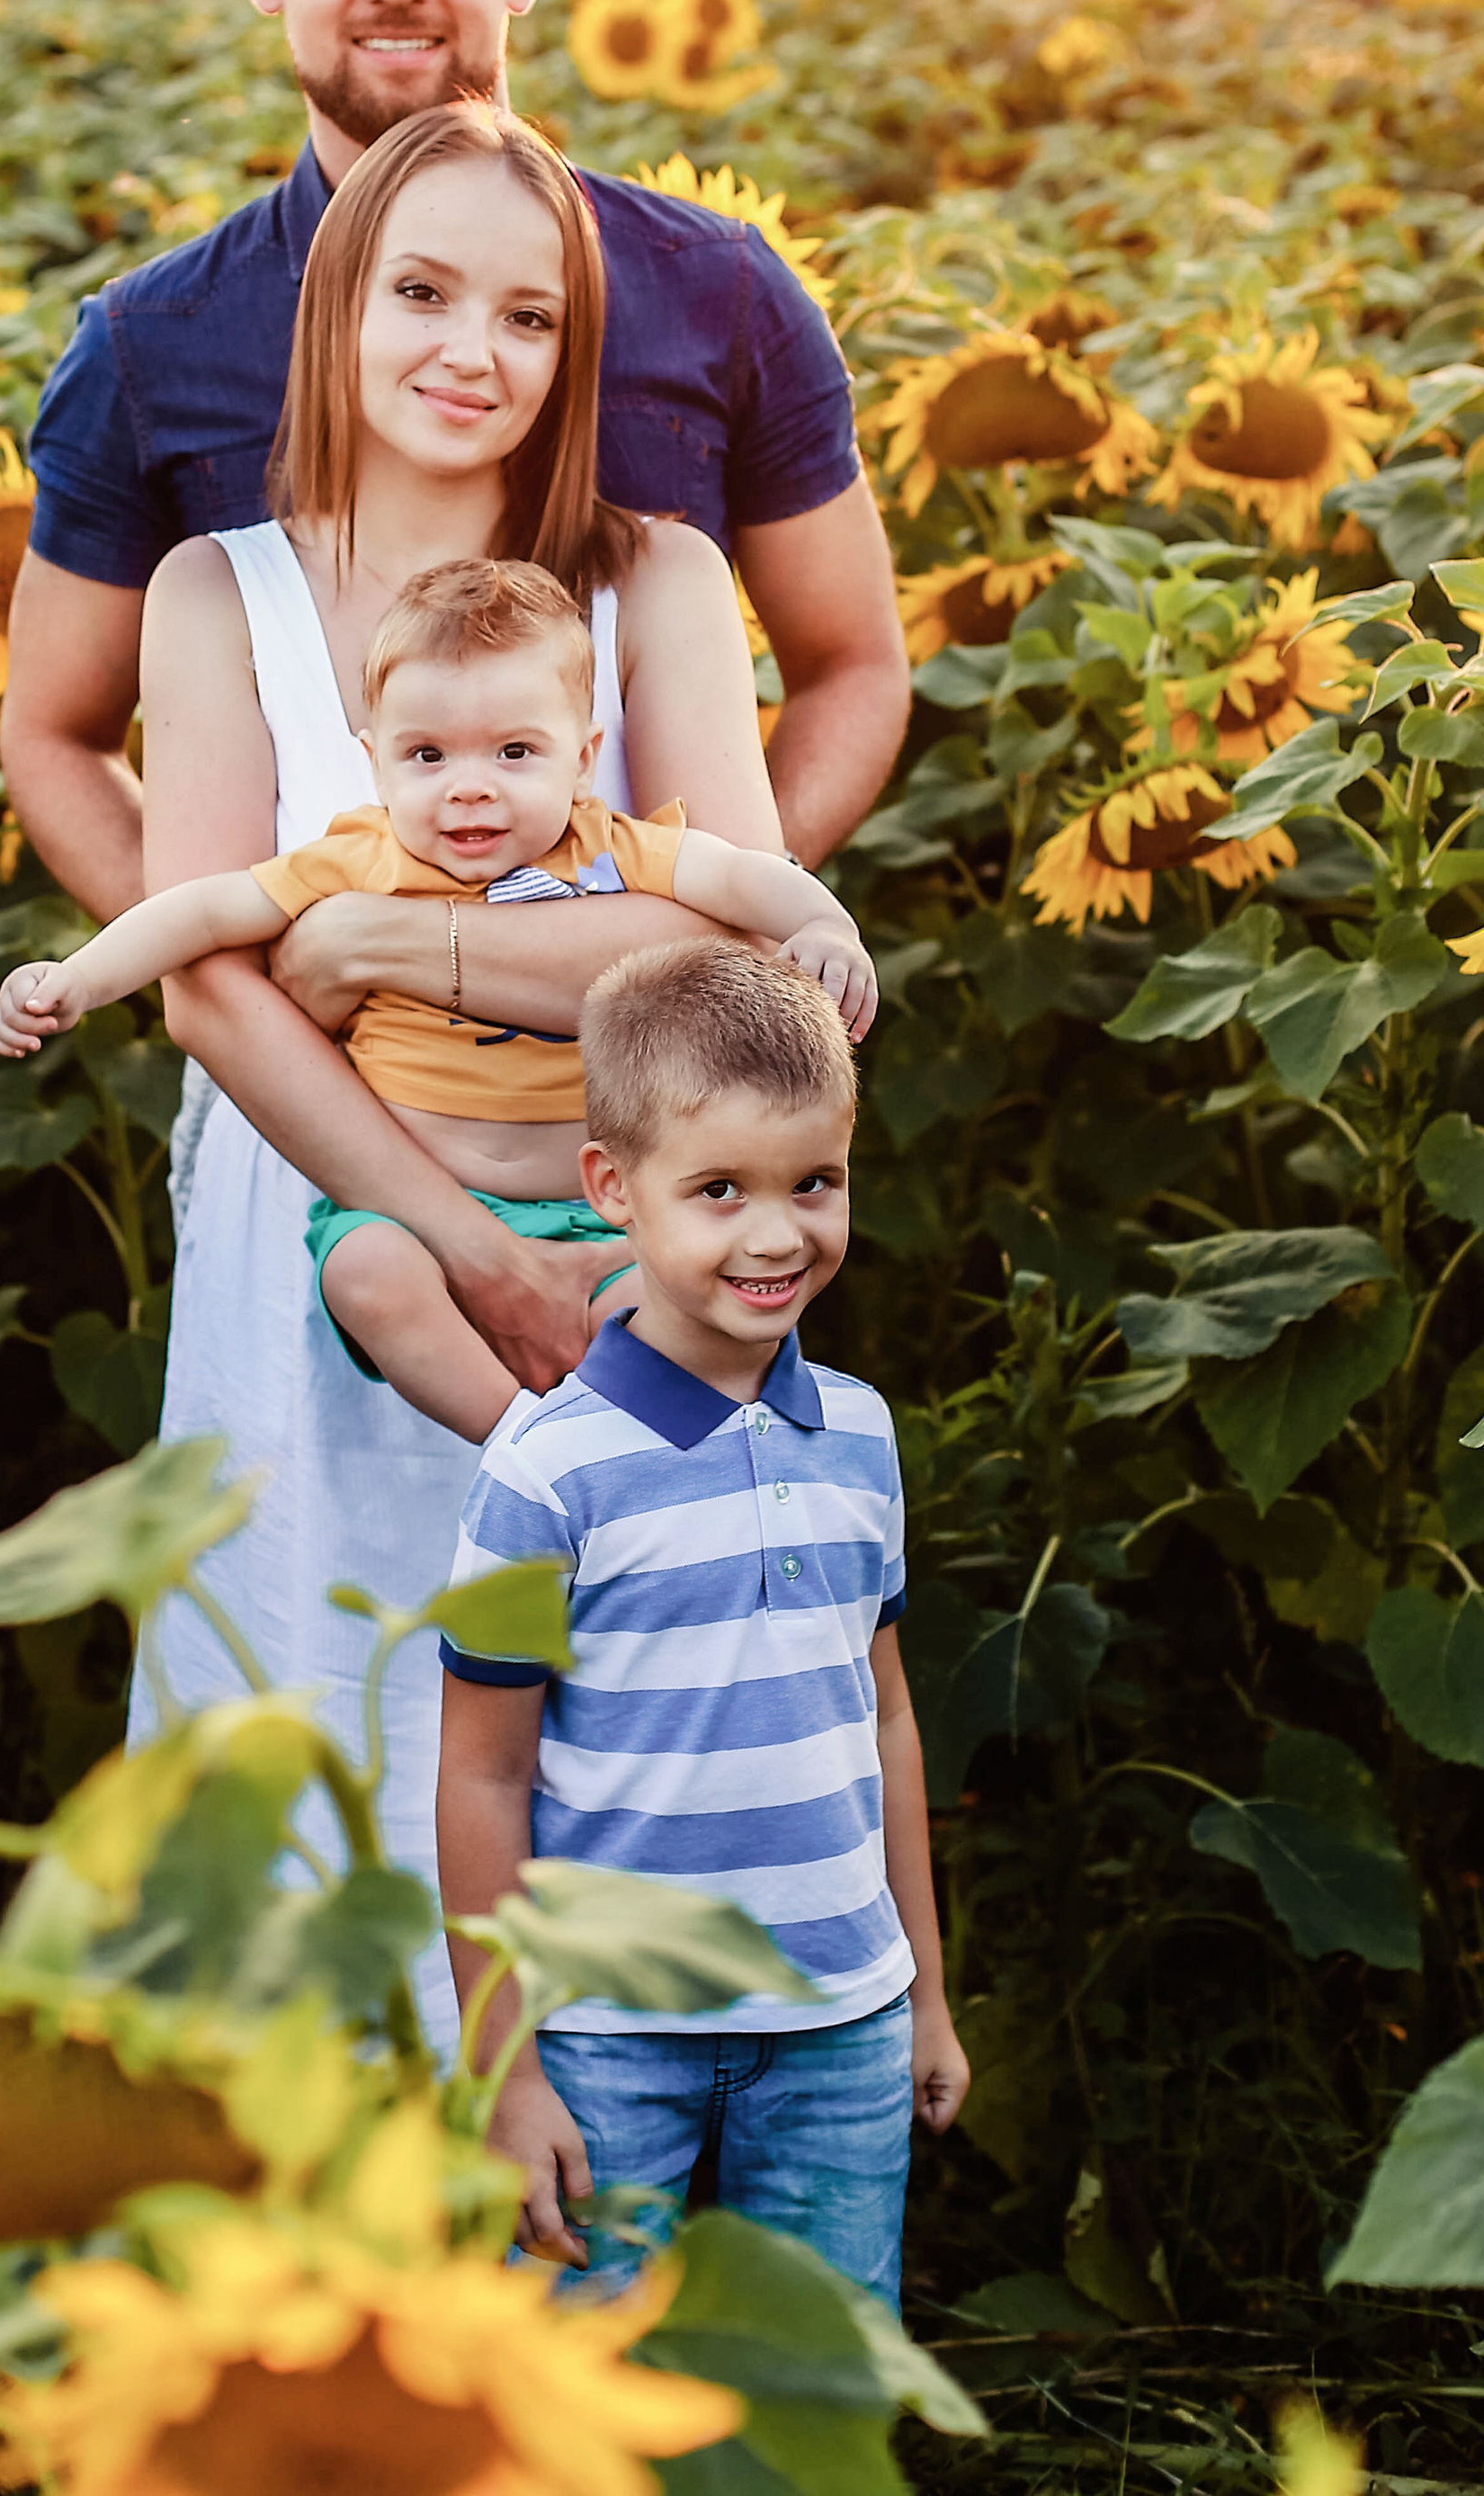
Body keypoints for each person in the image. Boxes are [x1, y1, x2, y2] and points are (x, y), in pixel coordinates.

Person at [117, 98, 794, 2032]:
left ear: (572, 351)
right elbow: (213, 994)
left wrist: (401, 943)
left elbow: (728, 943)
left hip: (610, 1231)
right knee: (318, 1692)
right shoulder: (211, 593)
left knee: (594, 1717)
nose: (464, 350)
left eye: (523, 314)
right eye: (418, 290)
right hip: (322, 1220)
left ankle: (585, 2243)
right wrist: (454, 1244)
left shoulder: (648, 580)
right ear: (338, 303)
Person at [3, 0, 907, 1077]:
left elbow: (853, 661)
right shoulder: (155, 342)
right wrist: (245, 968)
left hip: (659, 1075)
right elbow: (54, 731)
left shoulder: (716, 289)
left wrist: (699, 895)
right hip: (304, 1097)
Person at [0, 557, 877, 1441]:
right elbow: (203, 910)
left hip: (594, 1210)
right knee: (366, 1275)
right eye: (427, 755)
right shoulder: (362, 860)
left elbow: (741, 879)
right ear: (375, 762)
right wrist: (78, 979)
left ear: (583, 759)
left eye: (514, 752)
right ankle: (521, 1451)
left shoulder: (607, 849)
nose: (469, 786)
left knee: (676, 1315)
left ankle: (655, 1470)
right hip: (411, 1203)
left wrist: (826, 930)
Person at [435, 940, 969, 2313]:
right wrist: (506, 2072)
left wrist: (922, 1988)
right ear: (612, 1187)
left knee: (816, 2396)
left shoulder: (861, 1434)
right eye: (719, 1190)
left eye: (816, 1184)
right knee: (582, 2400)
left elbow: (886, 1716)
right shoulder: (546, 1472)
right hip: (613, 2040)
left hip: (841, 2023)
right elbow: (482, 1776)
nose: (777, 1234)